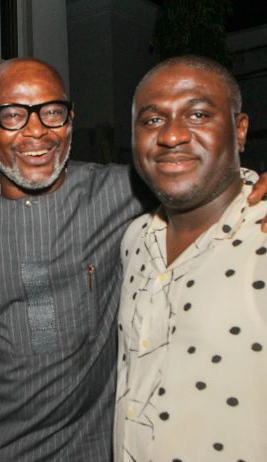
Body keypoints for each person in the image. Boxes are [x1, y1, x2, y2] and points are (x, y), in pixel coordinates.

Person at [0, 56, 267, 462]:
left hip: (96, 449)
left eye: (52, 112)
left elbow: (199, 177)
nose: (36, 130)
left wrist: (255, 183)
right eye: (13, 115)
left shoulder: (122, 191)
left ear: (71, 120)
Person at [114, 55, 267, 461]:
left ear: (239, 129)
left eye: (198, 114)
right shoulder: (134, 240)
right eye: (152, 120)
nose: (171, 135)